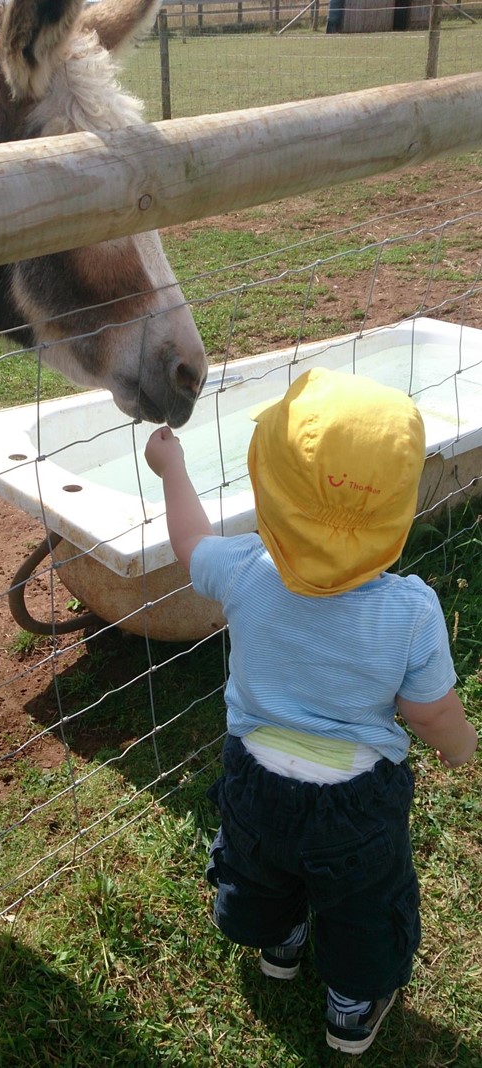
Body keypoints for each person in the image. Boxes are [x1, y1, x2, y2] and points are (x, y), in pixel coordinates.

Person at [144, 367, 478, 1056]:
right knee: (364, 904)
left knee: (260, 867)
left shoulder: (242, 568)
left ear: (268, 487)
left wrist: (172, 466)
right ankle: (352, 1005)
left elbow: (187, 544)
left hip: (254, 780)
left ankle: (279, 939)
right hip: (353, 805)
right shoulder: (409, 610)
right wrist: (460, 747)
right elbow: (431, 711)